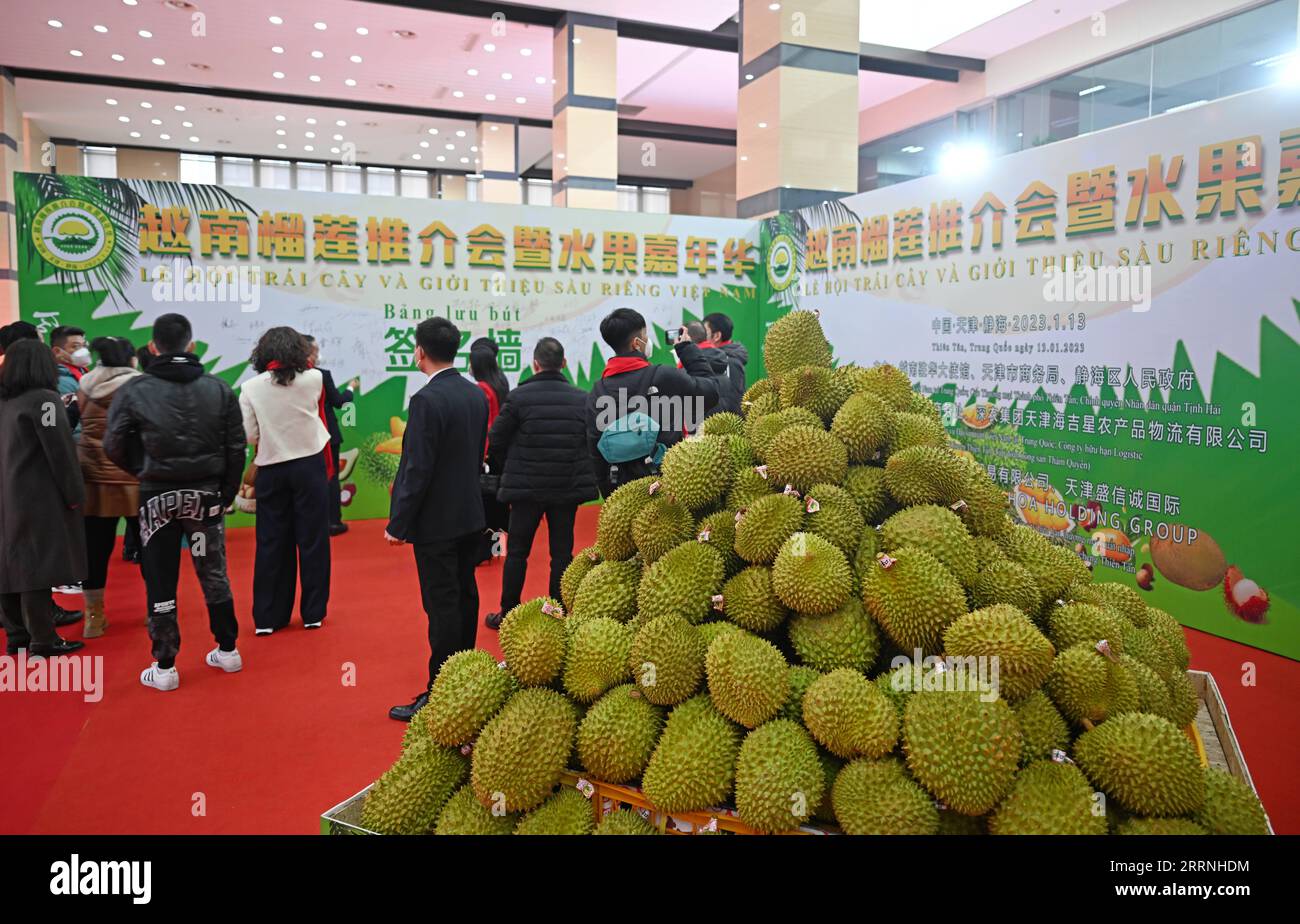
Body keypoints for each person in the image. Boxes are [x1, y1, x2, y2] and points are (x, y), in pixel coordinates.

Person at [104, 313, 246, 691]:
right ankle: (228, 648)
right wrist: (225, 493)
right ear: (192, 345)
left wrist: (144, 470)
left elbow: (112, 444)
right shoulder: (218, 388)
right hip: (205, 496)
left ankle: (165, 666)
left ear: (153, 347)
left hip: (157, 497)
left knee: (160, 577)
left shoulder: (135, 390)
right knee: (213, 572)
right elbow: (237, 447)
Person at [384, 317, 488, 722]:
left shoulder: (427, 401)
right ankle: (465, 679)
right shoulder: (474, 394)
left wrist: (398, 523)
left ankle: (440, 692)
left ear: (420, 352)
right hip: (469, 513)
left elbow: (417, 468)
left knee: (442, 605)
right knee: (464, 595)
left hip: (438, 523)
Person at [482, 338, 597, 630]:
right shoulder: (582, 398)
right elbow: (589, 442)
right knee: (561, 553)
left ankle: (507, 613)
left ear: (535, 364)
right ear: (564, 364)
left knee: (517, 552)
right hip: (565, 487)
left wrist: (515, 463)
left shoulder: (519, 397)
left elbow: (495, 438)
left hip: (525, 489)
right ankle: (556, 612)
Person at [239, 327, 333, 635]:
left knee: (271, 543)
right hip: (309, 465)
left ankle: (268, 618)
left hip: (271, 467)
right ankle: (313, 614)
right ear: (299, 350)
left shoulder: (251, 387)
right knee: (313, 540)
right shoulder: (315, 379)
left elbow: (250, 436)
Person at [0, 340, 87, 657]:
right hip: (38, 496)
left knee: (9, 563)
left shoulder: (5, 401)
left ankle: (17, 636)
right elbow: (61, 453)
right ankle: (44, 639)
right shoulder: (45, 401)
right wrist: (75, 494)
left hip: (6, 494)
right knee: (36, 566)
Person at [585, 308, 720, 498]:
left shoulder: (598, 392)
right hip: (667, 486)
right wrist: (687, 349)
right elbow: (710, 392)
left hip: (622, 491)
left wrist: (610, 493)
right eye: (645, 335)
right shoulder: (663, 376)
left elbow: (594, 447)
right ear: (636, 344)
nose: (648, 340)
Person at [76, 336, 142, 638]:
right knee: (150, 548)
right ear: (131, 359)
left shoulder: (85, 383)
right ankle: (158, 609)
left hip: (94, 478)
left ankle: (93, 617)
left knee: (95, 550)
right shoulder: (140, 385)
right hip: (134, 477)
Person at [305, 336, 358, 537]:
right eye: (315, 350)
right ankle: (333, 522)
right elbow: (339, 401)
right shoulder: (321, 375)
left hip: (305, 437)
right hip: (327, 434)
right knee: (331, 476)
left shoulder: (290, 376)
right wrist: (351, 388)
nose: (318, 354)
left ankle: (313, 523)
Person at [470, 337, 510, 564]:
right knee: (499, 504)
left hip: (487, 454)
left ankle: (483, 552)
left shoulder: (482, 389)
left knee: (484, 505)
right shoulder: (501, 383)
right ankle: (498, 548)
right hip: (500, 453)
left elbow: (484, 426)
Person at [703, 311, 748, 415]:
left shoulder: (729, 363)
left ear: (717, 336)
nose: (701, 336)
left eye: (705, 332)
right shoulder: (718, 359)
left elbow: (734, 402)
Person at [50, 325, 89, 438]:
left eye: (84, 346)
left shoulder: (83, 373)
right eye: (76, 347)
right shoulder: (59, 380)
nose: (83, 351)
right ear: (57, 351)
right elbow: (70, 424)